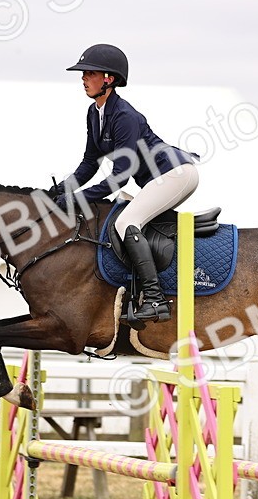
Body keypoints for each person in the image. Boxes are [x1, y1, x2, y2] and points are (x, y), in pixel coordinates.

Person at [61, 43, 198, 324]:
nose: (83, 78)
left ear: (108, 79)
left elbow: (120, 177)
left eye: (90, 73)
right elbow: (90, 163)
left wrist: (78, 199)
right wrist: (61, 190)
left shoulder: (124, 116)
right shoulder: (94, 113)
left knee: (126, 222)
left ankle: (155, 300)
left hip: (175, 174)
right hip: (157, 179)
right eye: (83, 73)